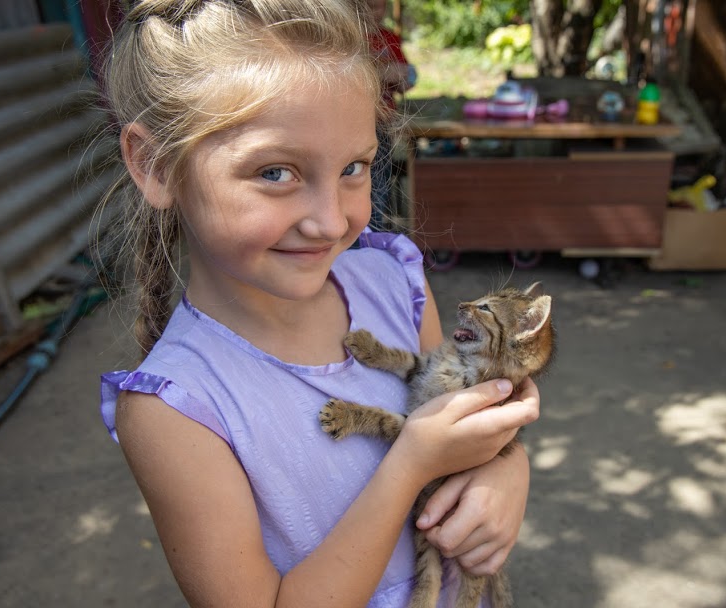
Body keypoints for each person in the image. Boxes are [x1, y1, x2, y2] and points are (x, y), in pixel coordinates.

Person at [97, 1, 540, 607]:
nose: (332, 221)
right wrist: (406, 467)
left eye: (354, 167)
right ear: (154, 165)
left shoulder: (393, 283)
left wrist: (504, 468)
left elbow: (459, 431)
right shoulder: (175, 411)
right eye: (275, 173)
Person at [360, 0, 416, 230]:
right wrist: (381, 72)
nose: (375, 10)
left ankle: (374, 234)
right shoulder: (347, 34)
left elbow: (408, 80)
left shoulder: (389, 37)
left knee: (378, 182)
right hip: (355, 120)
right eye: (369, 5)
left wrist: (403, 77)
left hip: (383, 123)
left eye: (379, 6)